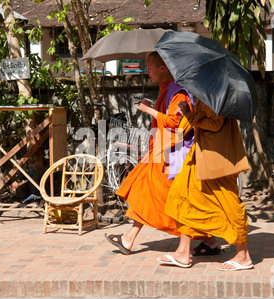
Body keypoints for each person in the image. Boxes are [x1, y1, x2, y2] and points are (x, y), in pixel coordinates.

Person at [104, 52, 194, 254]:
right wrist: (154, 107)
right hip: (161, 150)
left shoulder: (178, 91)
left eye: (149, 67)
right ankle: (128, 238)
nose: (147, 71)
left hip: (171, 153)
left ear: (162, 68)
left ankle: (129, 238)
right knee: (151, 193)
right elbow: (168, 116)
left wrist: (149, 111)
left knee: (166, 198)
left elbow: (175, 122)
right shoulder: (167, 89)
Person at [157, 99, 253, 271]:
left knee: (229, 205)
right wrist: (188, 114)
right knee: (183, 194)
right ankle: (182, 252)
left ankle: (243, 255)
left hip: (217, 160)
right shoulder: (207, 93)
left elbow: (215, 124)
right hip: (200, 154)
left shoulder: (218, 96)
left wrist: (189, 114)